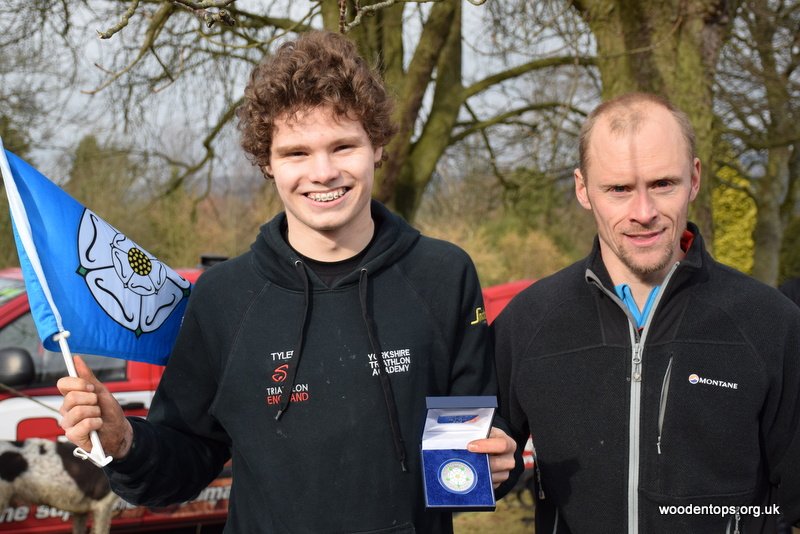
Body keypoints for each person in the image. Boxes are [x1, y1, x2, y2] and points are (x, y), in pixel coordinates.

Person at [57, 30, 515, 533]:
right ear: (267, 163)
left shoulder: (442, 276)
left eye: (343, 146)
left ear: (378, 146)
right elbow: (181, 467)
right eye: (297, 153)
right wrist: (123, 440)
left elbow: (470, 454)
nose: (323, 172)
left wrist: (493, 464)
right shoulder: (223, 298)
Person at [493, 92, 800, 533]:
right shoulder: (527, 322)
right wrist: (487, 464)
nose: (644, 213)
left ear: (694, 179)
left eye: (662, 185)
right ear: (583, 189)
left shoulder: (771, 322)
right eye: (618, 189)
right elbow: (486, 458)